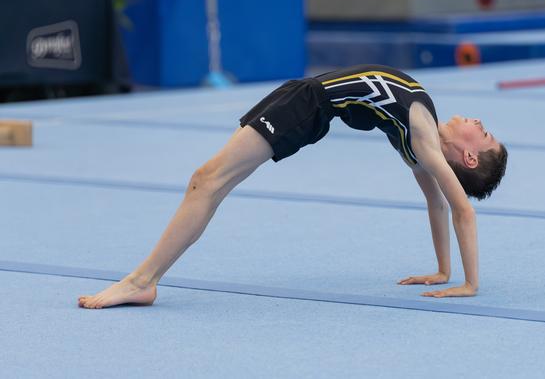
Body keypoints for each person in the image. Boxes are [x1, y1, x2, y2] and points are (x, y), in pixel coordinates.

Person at [78, 64, 508, 309]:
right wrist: (442, 270)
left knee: (207, 180)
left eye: (483, 132)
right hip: (302, 93)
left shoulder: (423, 139)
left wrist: (468, 283)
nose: (477, 122)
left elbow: (458, 208)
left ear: (468, 158)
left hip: (307, 106)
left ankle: (141, 280)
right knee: (209, 181)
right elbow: (435, 203)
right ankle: (144, 280)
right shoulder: (419, 137)